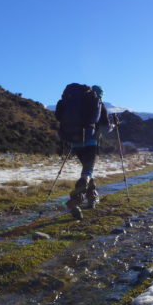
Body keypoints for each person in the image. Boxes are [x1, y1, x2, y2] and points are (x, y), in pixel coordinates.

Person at [55, 84, 113, 219]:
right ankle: (73, 201)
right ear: (100, 95)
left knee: (88, 171)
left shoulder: (79, 103)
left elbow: (59, 116)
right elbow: (105, 128)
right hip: (90, 142)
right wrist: (114, 124)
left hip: (73, 141)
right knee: (87, 173)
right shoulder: (98, 104)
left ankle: (92, 197)